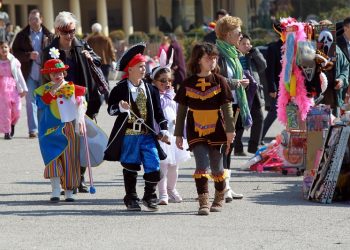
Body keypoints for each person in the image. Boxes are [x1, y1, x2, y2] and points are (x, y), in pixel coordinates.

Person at [104, 43, 170, 212]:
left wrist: (163, 129)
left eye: (144, 66)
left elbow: (159, 112)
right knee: (131, 166)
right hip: (129, 135)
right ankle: (131, 197)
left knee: (154, 165)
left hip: (148, 135)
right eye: (140, 67)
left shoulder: (151, 89)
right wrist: (120, 107)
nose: (143, 70)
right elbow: (110, 110)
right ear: (130, 69)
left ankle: (149, 196)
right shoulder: (119, 89)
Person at [42, 11, 102, 193]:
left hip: (82, 98)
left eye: (72, 31)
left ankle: (80, 177)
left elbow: (98, 61)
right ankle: (66, 177)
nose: (70, 35)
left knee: (82, 138)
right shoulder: (49, 51)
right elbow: (45, 78)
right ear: (58, 31)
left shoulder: (82, 45)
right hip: (60, 102)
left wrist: (92, 58)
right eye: (66, 32)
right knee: (64, 139)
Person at [174, 42, 235, 215]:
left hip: (217, 128)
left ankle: (219, 197)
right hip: (195, 128)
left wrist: (230, 131)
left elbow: (227, 108)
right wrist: (178, 134)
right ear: (198, 60)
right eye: (209, 58)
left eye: (215, 58)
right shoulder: (188, 83)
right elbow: (181, 112)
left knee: (217, 168)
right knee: (201, 165)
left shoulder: (220, 81)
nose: (213, 61)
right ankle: (203, 203)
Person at [34, 48, 86, 202]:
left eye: (59, 73)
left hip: (69, 128)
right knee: (52, 160)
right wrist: (53, 91)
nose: (57, 76)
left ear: (64, 73)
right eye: (53, 73)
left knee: (70, 159)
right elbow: (41, 104)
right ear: (48, 75)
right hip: (49, 130)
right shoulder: (42, 90)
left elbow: (83, 104)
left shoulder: (73, 88)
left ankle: (69, 191)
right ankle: (55, 190)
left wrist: (81, 109)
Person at [147, 49, 191, 205]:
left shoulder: (172, 94)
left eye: (169, 80)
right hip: (161, 136)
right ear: (154, 82)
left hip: (174, 135)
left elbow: (179, 111)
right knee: (163, 166)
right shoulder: (153, 96)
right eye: (163, 81)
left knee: (174, 166)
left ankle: (172, 189)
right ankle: (163, 193)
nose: (167, 84)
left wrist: (182, 130)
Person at [215, 15, 247, 202]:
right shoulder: (217, 54)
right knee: (222, 147)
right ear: (227, 35)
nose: (241, 35)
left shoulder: (234, 54)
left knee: (230, 146)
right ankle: (222, 187)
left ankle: (227, 185)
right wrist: (236, 83)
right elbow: (215, 80)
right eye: (237, 32)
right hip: (222, 106)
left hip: (235, 105)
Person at [12, 9, 54, 138]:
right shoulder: (21, 35)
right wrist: (28, 55)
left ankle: (45, 128)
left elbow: (55, 52)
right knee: (30, 102)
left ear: (41, 19)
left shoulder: (49, 35)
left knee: (45, 101)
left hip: (45, 74)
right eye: (30, 19)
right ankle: (33, 130)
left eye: (35, 19)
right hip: (29, 73)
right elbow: (15, 53)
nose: (32, 21)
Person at [237, 33, 267, 154]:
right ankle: (238, 147)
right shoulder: (234, 56)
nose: (246, 46)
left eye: (248, 44)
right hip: (240, 90)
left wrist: (255, 52)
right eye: (243, 43)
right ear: (238, 44)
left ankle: (253, 147)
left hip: (253, 90)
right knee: (239, 119)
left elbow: (263, 66)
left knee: (259, 118)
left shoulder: (252, 56)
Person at [261, 22, 284, 144]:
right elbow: (269, 71)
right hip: (278, 86)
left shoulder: (296, 47)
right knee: (273, 113)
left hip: (293, 86)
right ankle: (259, 137)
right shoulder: (273, 47)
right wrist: (272, 88)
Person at [0, 41, 27, 140]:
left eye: (5, 47)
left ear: (9, 48)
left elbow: (19, 76)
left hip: (13, 87)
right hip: (2, 90)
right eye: (2, 47)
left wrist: (24, 88)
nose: (4, 49)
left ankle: (12, 124)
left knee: (17, 111)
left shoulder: (14, 61)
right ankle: (7, 132)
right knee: (6, 111)